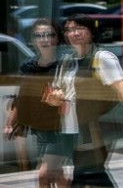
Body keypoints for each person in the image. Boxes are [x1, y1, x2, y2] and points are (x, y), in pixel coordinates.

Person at [44, 14, 123, 187]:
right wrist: (55, 99)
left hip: (97, 128)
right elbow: (57, 94)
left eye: (80, 28)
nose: (74, 33)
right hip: (72, 129)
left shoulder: (102, 58)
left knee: (86, 173)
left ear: (91, 32)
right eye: (70, 30)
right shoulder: (67, 61)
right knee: (87, 175)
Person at [4, 18, 72, 187]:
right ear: (33, 40)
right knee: (57, 175)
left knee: (43, 175)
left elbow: (72, 96)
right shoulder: (28, 66)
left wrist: (60, 100)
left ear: (57, 39)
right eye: (39, 35)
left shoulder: (65, 64)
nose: (45, 39)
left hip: (61, 128)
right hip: (41, 128)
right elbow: (21, 98)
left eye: (49, 35)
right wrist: (10, 123)